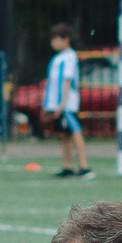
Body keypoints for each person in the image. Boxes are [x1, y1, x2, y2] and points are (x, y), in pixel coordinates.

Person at [41, 22, 92, 178]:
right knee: (65, 134)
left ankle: (84, 166)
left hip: (67, 104)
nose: (53, 43)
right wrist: (48, 105)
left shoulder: (69, 57)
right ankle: (67, 166)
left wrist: (61, 105)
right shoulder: (58, 58)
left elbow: (67, 81)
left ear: (66, 39)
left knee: (75, 131)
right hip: (57, 104)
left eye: (56, 39)